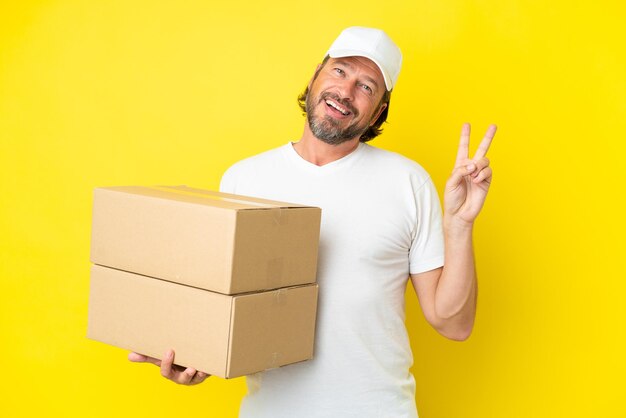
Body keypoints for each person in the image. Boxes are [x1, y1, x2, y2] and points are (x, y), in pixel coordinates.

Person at [129, 26, 497, 417]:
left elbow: (452, 324)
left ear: (380, 111)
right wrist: (194, 357)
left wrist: (459, 224)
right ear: (314, 76)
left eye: (367, 86)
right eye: (339, 71)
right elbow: (221, 308)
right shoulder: (243, 179)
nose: (346, 92)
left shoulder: (408, 182)